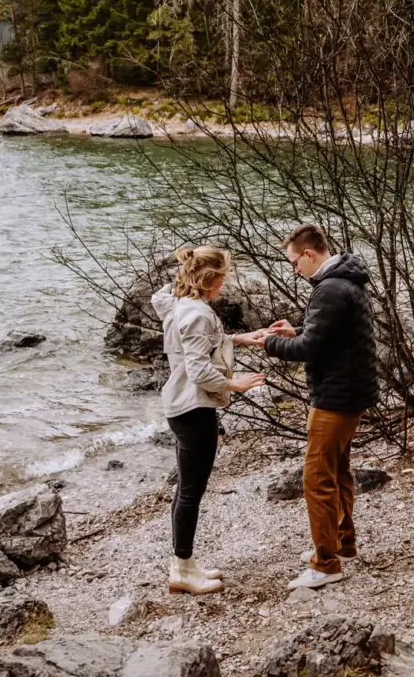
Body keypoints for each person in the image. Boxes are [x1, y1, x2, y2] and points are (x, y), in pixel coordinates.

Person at [251, 224, 379, 590]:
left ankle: (325, 564)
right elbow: (328, 336)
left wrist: (268, 344)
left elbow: (310, 349)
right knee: (337, 469)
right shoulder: (346, 280)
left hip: (336, 397)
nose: (294, 270)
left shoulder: (330, 288)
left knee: (317, 476)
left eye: (295, 262)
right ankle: (343, 544)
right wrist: (295, 331)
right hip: (353, 392)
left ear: (310, 253)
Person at [152, 246, 269, 595]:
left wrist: (241, 339)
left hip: (180, 406)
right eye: (222, 277)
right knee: (191, 492)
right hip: (193, 408)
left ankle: (184, 565)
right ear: (209, 278)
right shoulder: (198, 313)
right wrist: (236, 384)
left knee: (186, 490)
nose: (224, 283)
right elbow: (199, 370)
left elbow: (203, 344)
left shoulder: (177, 303)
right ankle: (182, 569)